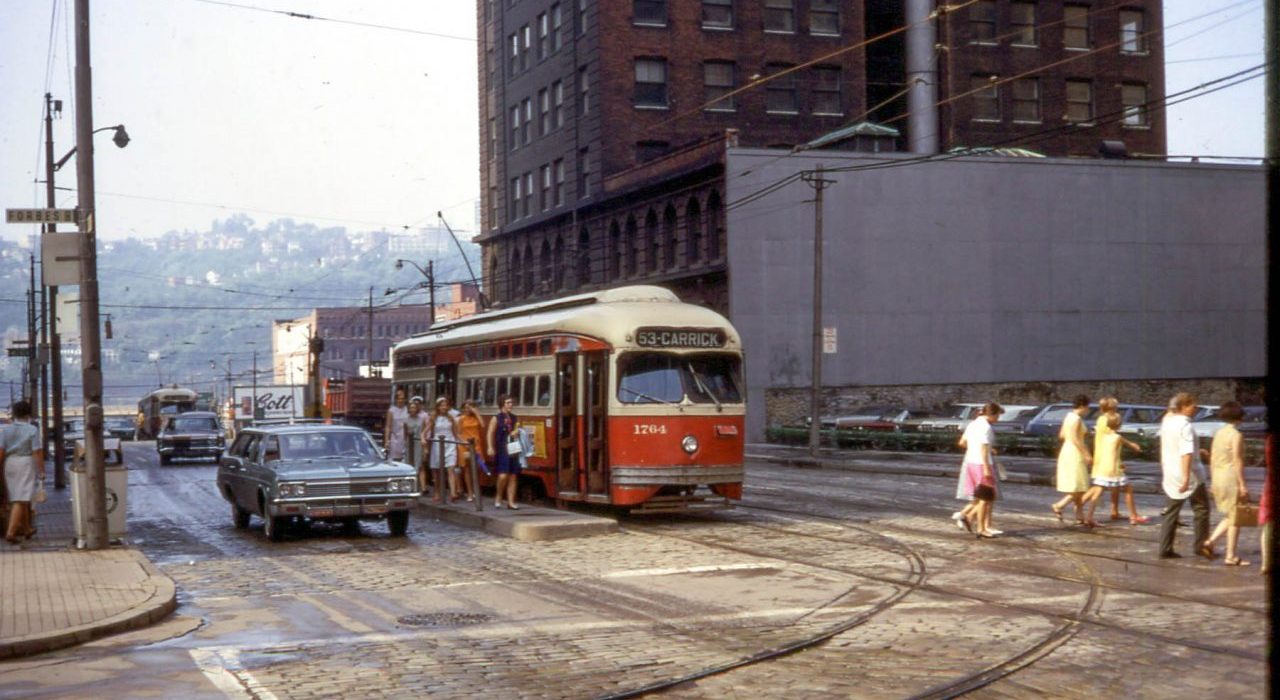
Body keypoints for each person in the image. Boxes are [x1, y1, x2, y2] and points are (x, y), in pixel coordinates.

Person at [1158, 392, 1213, 560]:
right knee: (1201, 509)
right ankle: (1200, 546)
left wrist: (1198, 450)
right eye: (1192, 405)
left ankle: (1165, 547)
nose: (1195, 408)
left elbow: (1169, 413)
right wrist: (1186, 478)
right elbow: (1186, 453)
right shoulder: (1185, 426)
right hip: (1189, 473)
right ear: (1183, 407)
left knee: (1171, 512)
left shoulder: (1167, 422)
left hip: (1170, 472)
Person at [1080, 404, 1143, 527]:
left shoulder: (1103, 437)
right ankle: (1133, 516)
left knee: (1097, 492)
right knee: (1128, 489)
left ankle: (1089, 516)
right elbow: (1130, 445)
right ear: (1119, 425)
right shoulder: (1118, 437)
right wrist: (1136, 447)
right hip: (1114, 470)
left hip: (1103, 468)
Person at [1205, 402, 1250, 565]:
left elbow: (1212, 458)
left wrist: (1211, 479)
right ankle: (1230, 555)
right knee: (1236, 518)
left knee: (1231, 515)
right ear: (1239, 417)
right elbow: (1237, 460)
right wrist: (1243, 484)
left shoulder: (1219, 433)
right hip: (1230, 477)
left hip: (1218, 476)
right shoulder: (1236, 435)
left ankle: (1210, 542)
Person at [955, 402, 1002, 538]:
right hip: (982, 464)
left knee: (979, 497)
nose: (998, 419)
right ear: (992, 414)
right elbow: (983, 448)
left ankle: (968, 517)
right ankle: (981, 528)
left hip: (970, 462)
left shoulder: (973, 424)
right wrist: (987, 467)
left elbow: (962, 443)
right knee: (985, 499)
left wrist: (974, 449)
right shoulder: (986, 427)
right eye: (998, 415)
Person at [2, 401, 44, 545]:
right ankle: (11, 532)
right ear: (28, 414)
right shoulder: (32, 429)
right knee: (20, 498)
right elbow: (37, 452)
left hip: (9, 463)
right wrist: (42, 471)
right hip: (25, 462)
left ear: (14, 414)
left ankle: (27, 529)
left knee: (20, 495)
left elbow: (1, 451)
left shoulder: (6, 430)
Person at [1051, 395, 1093, 524]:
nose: (1088, 410)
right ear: (1082, 406)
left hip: (1066, 450)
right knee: (1078, 485)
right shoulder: (1077, 419)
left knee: (1078, 485)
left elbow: (1062, 435)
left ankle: (1079, 515)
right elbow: (1075, 439)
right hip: (1075, 452)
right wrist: (1086, 453)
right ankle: (1059, 505)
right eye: (1087, 407)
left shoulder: (1068, 417)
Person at [486, 395, 520, 510]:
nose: (510, 405)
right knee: (503, 475)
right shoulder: (496, 418)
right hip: (501, 448)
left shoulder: (515, 418)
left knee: (513, 475)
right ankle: (499, 495)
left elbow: (517, 431)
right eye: (508, 403)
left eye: (511, 402)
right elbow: (490, 433)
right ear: (502, 405)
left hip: (513, 447)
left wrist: (517, 432)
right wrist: (490, 447)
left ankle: (511, 502)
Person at [425, 397, 461, 501]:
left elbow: (456, 433)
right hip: (437, 444)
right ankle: (437, 493)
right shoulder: (434, 418)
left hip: (450, 443)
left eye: (445, 405)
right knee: (437, 471)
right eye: (442, 405)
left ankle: (453, 493)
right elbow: (425, 432)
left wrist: (464, 442)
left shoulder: (451, 418)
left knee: (451, 468)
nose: (444, 407)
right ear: (438, 407)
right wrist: (424, 440)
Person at [456, 400, 486, 502]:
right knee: (467, 469)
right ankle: (469, 492)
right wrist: (465, 442)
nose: (467, 409)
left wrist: (476, 412)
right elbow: (458, 433)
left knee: (477, 468)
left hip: (476, 444)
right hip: (466, 445)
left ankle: (476, 490)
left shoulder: (476, 417)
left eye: (469, 407)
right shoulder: (461, 419)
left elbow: (483, 425)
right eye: (465, 407)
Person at [402, 397, 426, 492]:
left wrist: (424, 447)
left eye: (414, 407)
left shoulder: (421, 419)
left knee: (419, 465)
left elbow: (423, 432)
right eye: (411, 408)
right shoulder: (406, 420)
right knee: (410, 464)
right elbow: (405, 434)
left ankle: (423, 487)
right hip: (410, 444)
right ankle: (411, 485)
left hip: (418, 444)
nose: (413, 409)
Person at [383, 388, 409, 461]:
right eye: (399, 399)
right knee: (394, 458)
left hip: (404, 438)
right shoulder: (391, 411)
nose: (401, 400)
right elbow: (388, 426)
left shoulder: (407, 409)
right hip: (394, 438)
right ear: (396, 400)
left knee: (404, 458)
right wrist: (386, 441)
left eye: (402, 399)